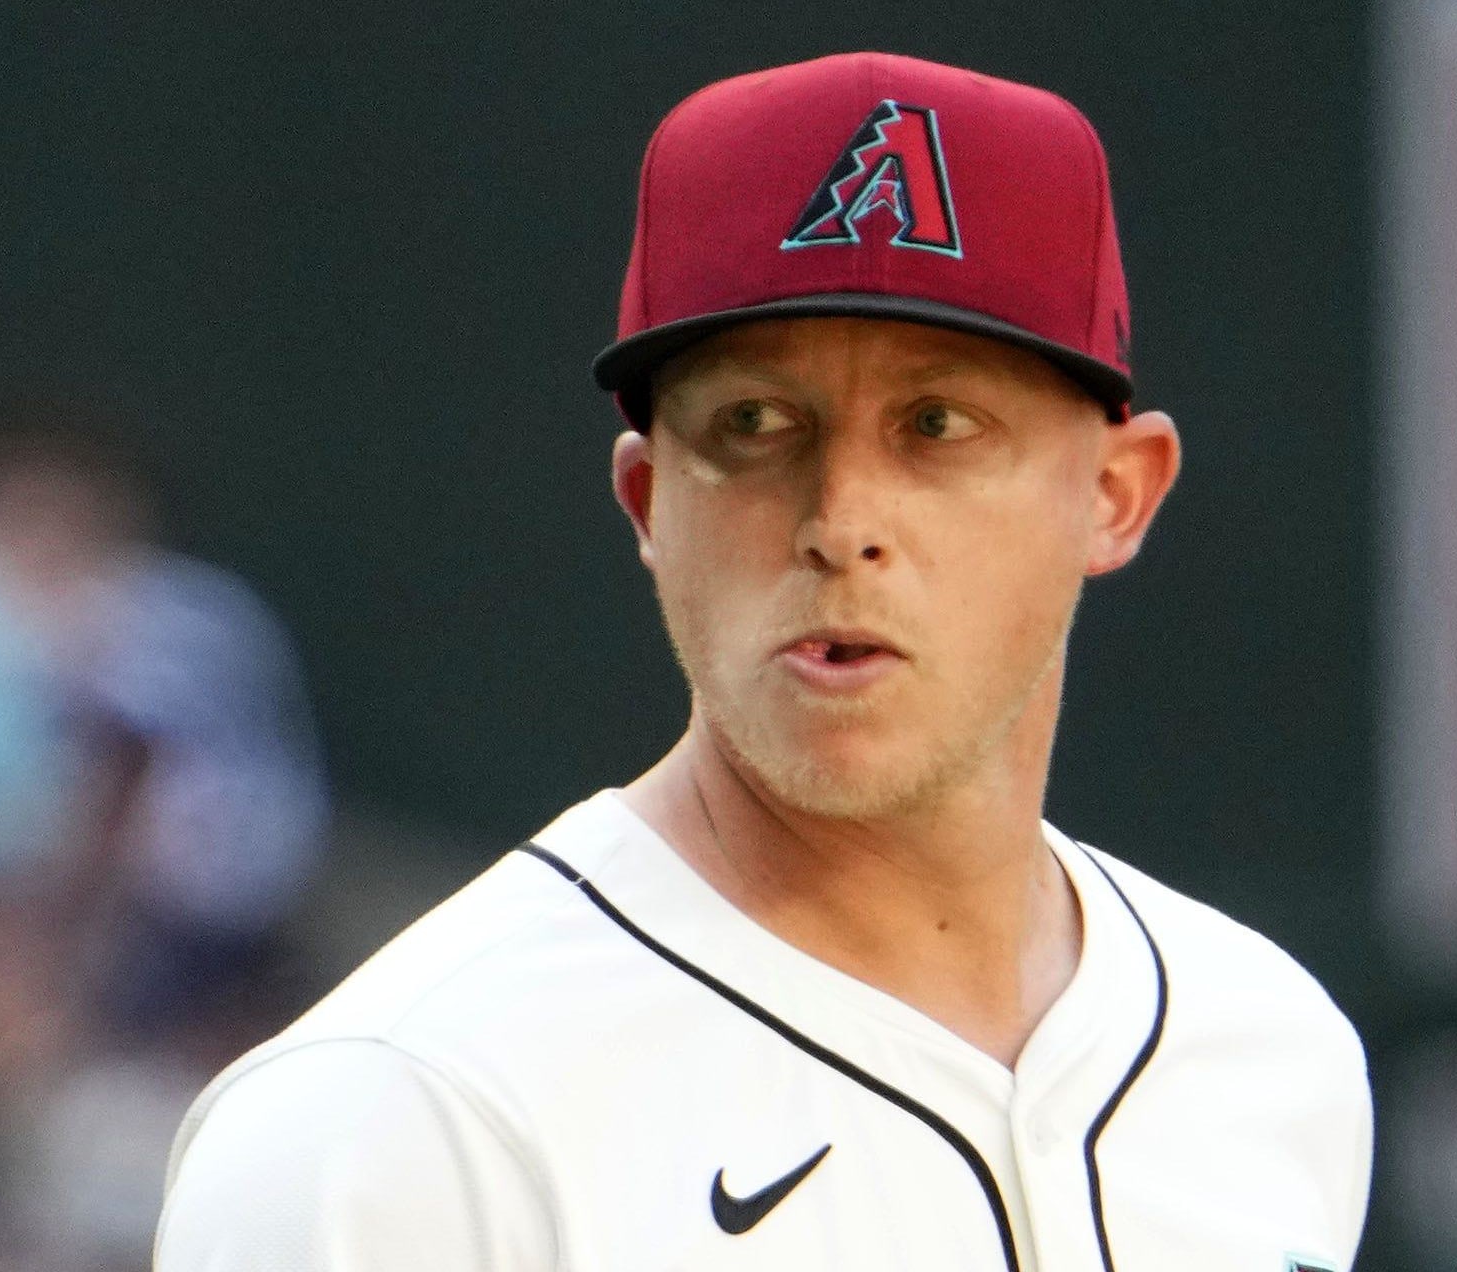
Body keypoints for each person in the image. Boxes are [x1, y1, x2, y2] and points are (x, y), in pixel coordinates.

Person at [156, 51, 1372, 1271]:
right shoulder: (397, 1122)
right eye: (753, 426)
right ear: (645, 502)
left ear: (1114, 495)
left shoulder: (1264, 1050)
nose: (839, 518)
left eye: (938, 424)